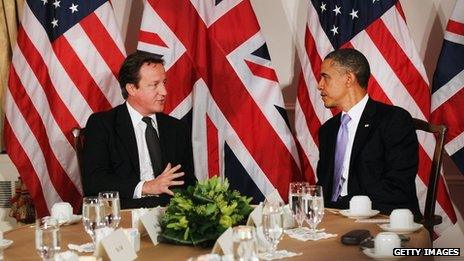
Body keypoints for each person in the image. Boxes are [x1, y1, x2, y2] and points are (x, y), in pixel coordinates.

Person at [82, 51, 197, 209]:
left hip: (170, 215)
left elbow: (188, 183)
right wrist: (146, 187)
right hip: (124, 215)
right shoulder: (102, 124)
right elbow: (94, 182)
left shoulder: (177, 128)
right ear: (131, 88)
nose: (164, 92)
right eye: (154, 85)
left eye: (164, 83)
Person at [316, 48, 421, 217]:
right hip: (333, 217)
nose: (319, 85)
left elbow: (398, 186)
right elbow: (325, 186)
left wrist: (345, 205)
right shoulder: (328, 130)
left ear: (349, 79)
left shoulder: (394, 120)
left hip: (385, 218)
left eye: (325, 77)